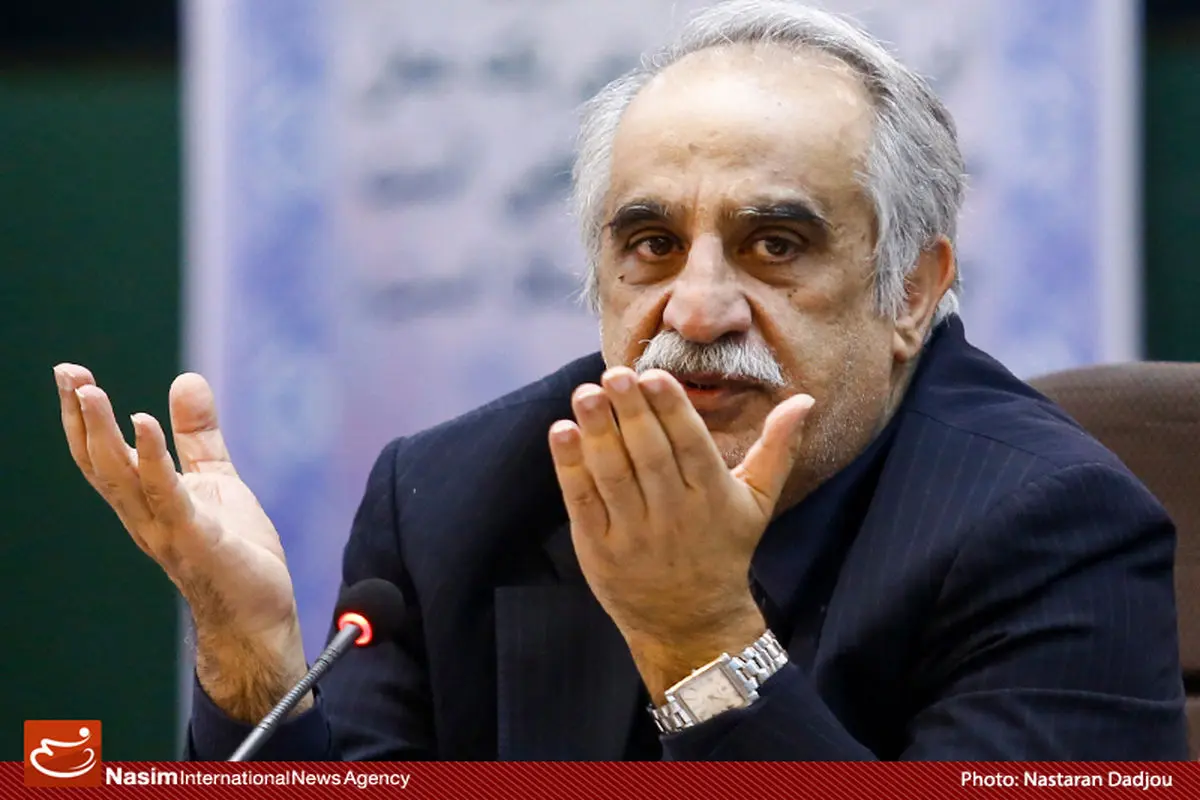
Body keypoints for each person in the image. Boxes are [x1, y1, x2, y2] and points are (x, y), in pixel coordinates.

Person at [53, 0, 1187, 760]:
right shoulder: (456, 498)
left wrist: (701, 639)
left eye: (775, 245)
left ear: (912, 292)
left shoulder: (1053, 526)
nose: (696, 310)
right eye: (651, 244)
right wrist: (253, 667)